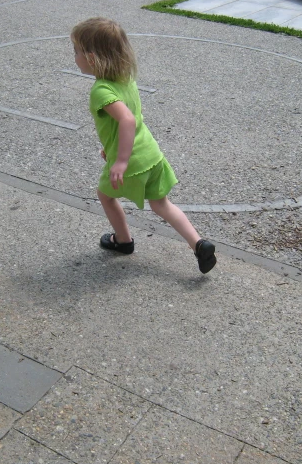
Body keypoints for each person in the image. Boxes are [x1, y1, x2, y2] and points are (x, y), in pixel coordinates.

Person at [70, 17, 217, 273]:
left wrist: (121, 160)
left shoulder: (101, 91)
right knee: (162, 205)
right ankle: (198, 244)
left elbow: (126, 120)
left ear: (92, 58)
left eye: (77, 52)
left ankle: (123, 241)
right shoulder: (126, 79)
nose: (75, 57)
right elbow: (128, 121)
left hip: (133, 161)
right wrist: (113, 147)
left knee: (105, 196)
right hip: (151, 154)